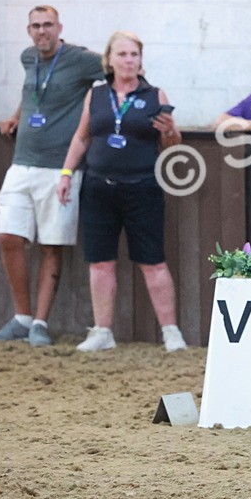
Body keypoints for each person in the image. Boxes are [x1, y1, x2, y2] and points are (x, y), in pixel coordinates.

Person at [55, 31, 187, 353]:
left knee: (153, 261)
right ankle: (102, 331)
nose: (129, 60)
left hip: (142, 186)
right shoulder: (96, 94)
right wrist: (66, 172)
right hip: (99, 187)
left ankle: (171, 333)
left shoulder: (155, 94)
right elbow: (82, 137)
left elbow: (173, 145)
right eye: (122, 54)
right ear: (109, 60)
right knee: (100, 262)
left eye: (134, 55)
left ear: (141, 61)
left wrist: (170, 131)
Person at [0, 5, 104, 347]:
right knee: (8, 236)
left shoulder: (82, 60)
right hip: (22, 162)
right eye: (36, 26)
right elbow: (34, 92)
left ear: (59, 27)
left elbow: (115, 71)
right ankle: (21, 318)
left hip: (59, 166)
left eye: (48, 25)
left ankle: (39, 322)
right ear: (28, 31)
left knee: (52, 244)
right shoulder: (28, 58)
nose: (42, 31)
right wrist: (15, 115)